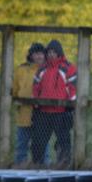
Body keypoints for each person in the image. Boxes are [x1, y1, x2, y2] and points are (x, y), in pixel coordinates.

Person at [31, 40, 77, 168]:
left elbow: (74, 88)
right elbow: (35, 87)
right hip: (43, 112)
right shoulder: (42, 69)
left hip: (61, 113)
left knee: (63, 143)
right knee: (38, 143)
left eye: (54, 52)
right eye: (49, 52)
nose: (51, 55)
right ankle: (37, 166)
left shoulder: (68, 68)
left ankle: (63, 166)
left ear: (59, 53)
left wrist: (71, 105)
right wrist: (35, 103)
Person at [12, 42, 50, 166]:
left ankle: (44, 169)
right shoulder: (21, 70)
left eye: (41, 54)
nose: (39, 56)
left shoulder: (48, 70)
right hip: (24, 115)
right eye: (36, 54)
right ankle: (20, 169)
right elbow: (15, 90)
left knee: (43, 145)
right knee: (21, 145)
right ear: (31, 55)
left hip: (43, 115)